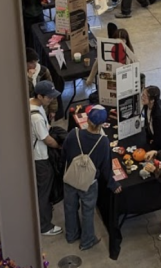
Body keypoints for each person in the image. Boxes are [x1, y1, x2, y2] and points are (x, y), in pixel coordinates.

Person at [62, 104, 119, 250]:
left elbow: (64, 153)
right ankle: (87, 241)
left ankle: (71, 235)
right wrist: (113, 184)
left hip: (70, 178)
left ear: (87, 119)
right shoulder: (103, 142)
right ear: (102, 124)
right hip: (89, 182)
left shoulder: (73, 134)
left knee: (70, 207)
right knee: (87, 211)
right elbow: (106, 168)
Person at [30, 80, 64, 236]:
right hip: (40, 157)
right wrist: (58, 146)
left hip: (39, 155)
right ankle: (44, 226)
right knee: (44, 191)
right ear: (39, 96)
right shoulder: (36, 117)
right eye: (48, 97)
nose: (51, 99)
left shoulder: (33, 106)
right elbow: (46, 139)